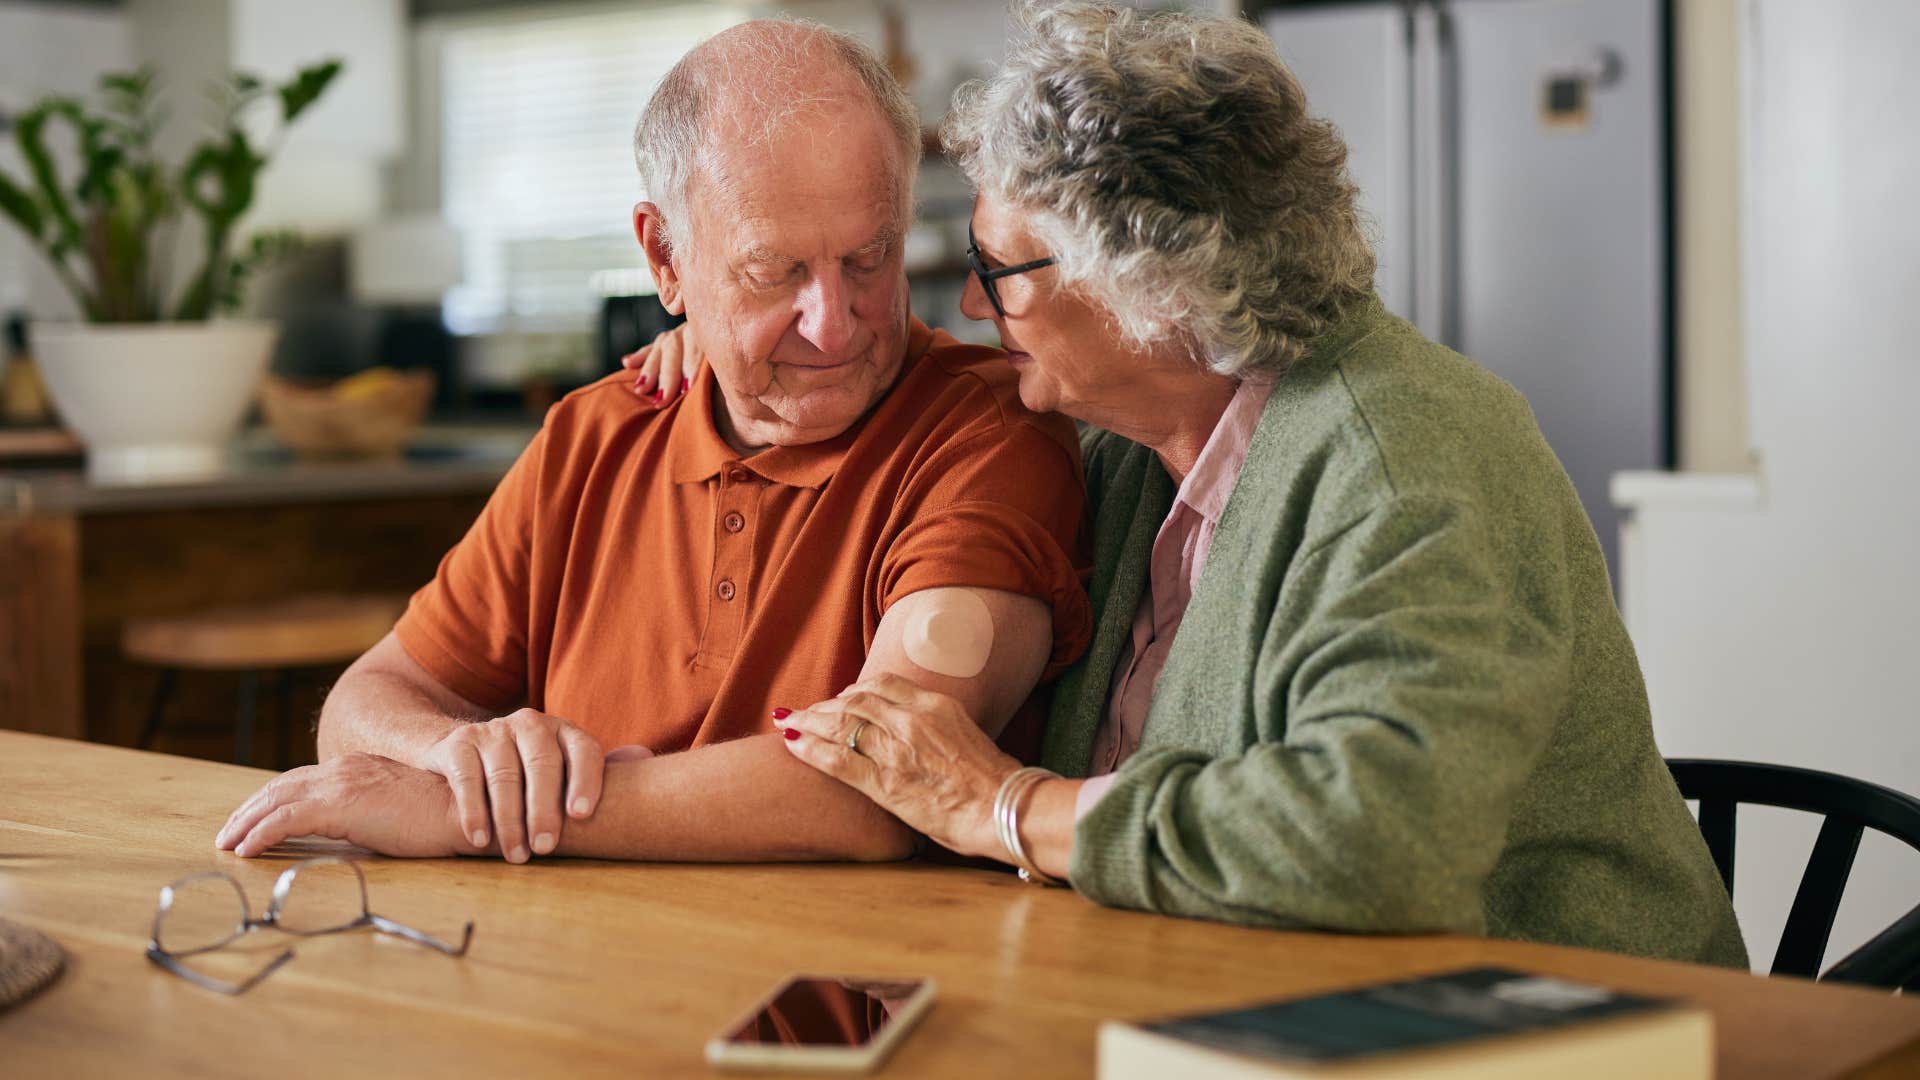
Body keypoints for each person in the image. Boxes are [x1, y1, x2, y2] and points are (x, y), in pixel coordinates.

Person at [633, 1, 1746, 965]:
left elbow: (1378, 848)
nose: (972, 310)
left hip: (1545, 1028)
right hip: (1211, 1000)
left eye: (998, 273)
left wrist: (1014, 807)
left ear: (1149, 282)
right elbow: (900, 397)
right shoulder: (1127, 446)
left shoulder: (1409, 457)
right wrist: (719, 334)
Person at [214, 19, 1090, 866]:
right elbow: (368, 703)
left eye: (869, 258)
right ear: (665, 259)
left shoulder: (991, 431)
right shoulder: (595, 435)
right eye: (774, 270)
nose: (834, 326)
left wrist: (477, 814)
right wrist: (462, 758)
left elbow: (886, 786)